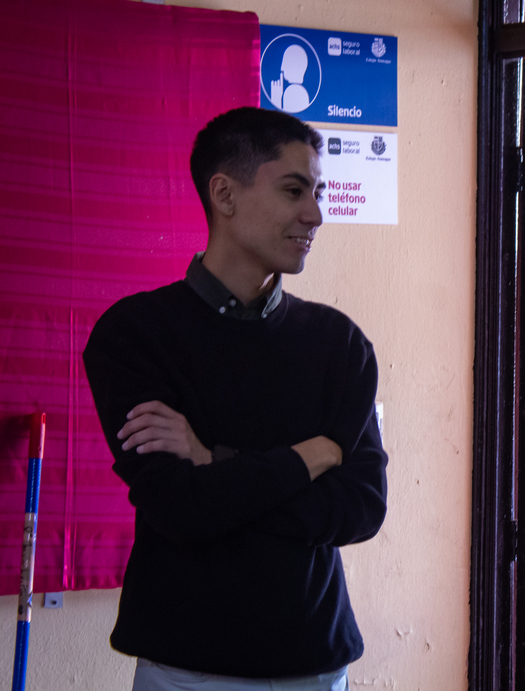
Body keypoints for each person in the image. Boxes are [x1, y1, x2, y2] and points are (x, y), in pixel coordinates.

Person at [83, 107, 387, 691]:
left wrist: (213, 460)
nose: (315, 214)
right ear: (224, 194)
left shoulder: (339, 343)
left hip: (317, 666)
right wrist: (308, 459)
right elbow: (180, 510)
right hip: (185, 669)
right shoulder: (135, 334)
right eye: (294, 190)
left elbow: (359, 508)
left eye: (319, 192)